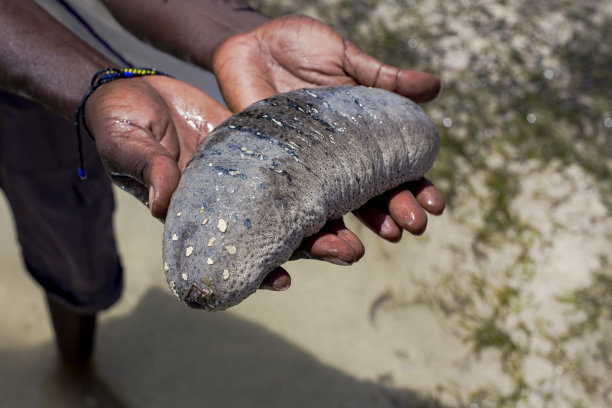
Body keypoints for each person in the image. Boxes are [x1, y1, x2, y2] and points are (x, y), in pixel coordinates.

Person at [0, 0, 444, 364]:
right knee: (62, 232)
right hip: (17, 67)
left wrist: (231, 32)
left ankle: (75, 359)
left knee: (71, 229)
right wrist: (90, 84)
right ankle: (73, 366)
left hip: (141, 56)